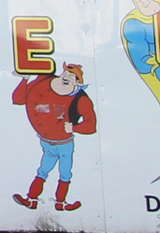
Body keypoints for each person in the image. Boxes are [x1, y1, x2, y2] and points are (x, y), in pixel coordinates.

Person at [11, 61, 97, 213]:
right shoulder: (44, 83)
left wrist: (74, 128)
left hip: (65, 145)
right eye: (65, 73)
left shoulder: (80, 98)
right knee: (43, 171)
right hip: (47, 144)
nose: (66, 76)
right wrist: (24, 79)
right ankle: (32, 200)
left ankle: (61, 202)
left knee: (65, 173)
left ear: (77, 82)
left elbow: (91, 125)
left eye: (71, 76)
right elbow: (18, 99)